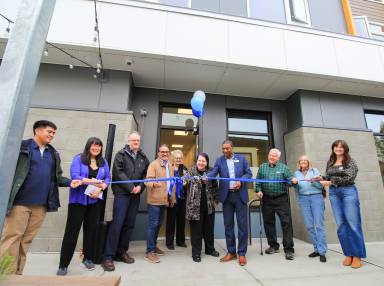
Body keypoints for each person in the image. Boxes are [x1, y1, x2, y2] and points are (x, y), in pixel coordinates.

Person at [0, 120, 81, 275]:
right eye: (49, 132)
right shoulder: (22, 147)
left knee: (26, 241)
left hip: (41, 206)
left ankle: (17, 274)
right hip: (20, 203)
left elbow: (56, 177)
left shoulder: (53, 153)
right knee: (11, 239)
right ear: (37, 130)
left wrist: (71, 182)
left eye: (53, 133)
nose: (52, 135)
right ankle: (5, 276)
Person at [57, 137, 110, 276]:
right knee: (72, 232)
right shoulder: (78, 159)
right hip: (78, 201)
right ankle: (63, 264)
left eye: (99, 146)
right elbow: (75, 176)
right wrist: (91, 181)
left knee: (91, 231)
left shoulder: (103, 162)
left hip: (95, 201)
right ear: (88, 146)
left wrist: (101, 187)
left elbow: (108, 179)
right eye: (94, 145)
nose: (96, 148)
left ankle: (88, 258)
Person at [102, 131, 149, 271]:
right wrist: (131, 187)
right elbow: (118, 172)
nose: (136, 143)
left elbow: (146, 175)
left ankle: (121, 252)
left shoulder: (143, 157)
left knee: (129, 224)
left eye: (138, 141)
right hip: (122, 194)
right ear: (129, 141)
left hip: (135, 195)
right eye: (133, 140)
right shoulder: (120, 155)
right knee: (117, 224)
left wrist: (140, 187)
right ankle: (108, 256)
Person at [320, 140, 366, 269]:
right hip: (334, 193)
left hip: (348, 191)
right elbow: (328, 177)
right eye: (336, 146)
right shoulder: (330, 162)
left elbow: (349, 177)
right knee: (341, 224)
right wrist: (322, 178)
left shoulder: (350, 162)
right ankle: (348, 254)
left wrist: (330, 182)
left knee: (353, 223)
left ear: (345, 149)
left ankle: (357, 255)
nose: (338, 149)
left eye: (341, 147)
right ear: (333, 148)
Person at [207, 140, 252, 266]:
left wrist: (240, 181)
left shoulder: (241, 159)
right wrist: (206, 177)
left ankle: (242, 253)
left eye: (227, 148)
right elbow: (213, 172)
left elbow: (248, 173)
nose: (225, 151)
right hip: (227, 197)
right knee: (228, 226)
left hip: (240, 196)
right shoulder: (219, 160)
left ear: (232, 148)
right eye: (223, 149)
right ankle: (231, 252)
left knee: (242, 226)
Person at [255, 148, 298, 260]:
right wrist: (258, 190)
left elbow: (289, 180)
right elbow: (258, 181)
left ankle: (288, 249)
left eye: (274, 155)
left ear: (278, 157)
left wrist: (293, 181)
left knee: (286, 223)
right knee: (269, 223)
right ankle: (273, 246)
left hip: (281, 199)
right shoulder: (262, 167)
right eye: (270, 155)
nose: (271, 157)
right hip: (267, 199)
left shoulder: (284, 168)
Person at [144, 144, 176, 263]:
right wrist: (154, 184)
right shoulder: (153, 165)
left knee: (158, 225)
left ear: (169, 153)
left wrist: (172, 199)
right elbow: (147, 181)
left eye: (166, 152)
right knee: (153, 225)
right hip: (154, 201)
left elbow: (171, 184)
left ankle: (154, 246)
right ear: (158, 153)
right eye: (162, 152)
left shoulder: (170, 166)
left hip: (164, 201)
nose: (164, 154)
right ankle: (149, 252)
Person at [186, 153, 220, 262]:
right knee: (196, 231)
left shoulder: (211, 171)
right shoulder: (190, 171)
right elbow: (185, 181)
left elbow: (215, 186)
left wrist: (216, 200)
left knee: (209, 230)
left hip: (209, 206)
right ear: (196, 161)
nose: (201, 163)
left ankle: (210, 249)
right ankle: (196, 253)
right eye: (199, 160)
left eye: (203, 161)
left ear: (207, 162)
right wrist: (184, 179)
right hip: (195, 207)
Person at [294, 155, 327, 263]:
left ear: (308, 162)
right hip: (303, 199)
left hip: (316, 197)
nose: (303, 162)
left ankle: (322, 252)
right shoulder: (296, 173)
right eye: (301, 160)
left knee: (319, 225)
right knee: (309, 226)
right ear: (299, 163)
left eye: (305, 160)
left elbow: (321, 186)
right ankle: (316, 248)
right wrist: (295, 184)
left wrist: (315, 181)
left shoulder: (315, 171)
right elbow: (297, 188)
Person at [166, 150, 187, 250]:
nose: (178, 159)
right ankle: (169, 242)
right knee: (171, 220)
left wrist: (185, 182)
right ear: (173, 158)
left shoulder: (184, 168)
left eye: (180, 157)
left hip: (182, 198)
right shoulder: (169, 168)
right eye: (176, 157)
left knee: (181, 220)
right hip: (173, 198)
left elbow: (187, 181)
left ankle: (180, 241)